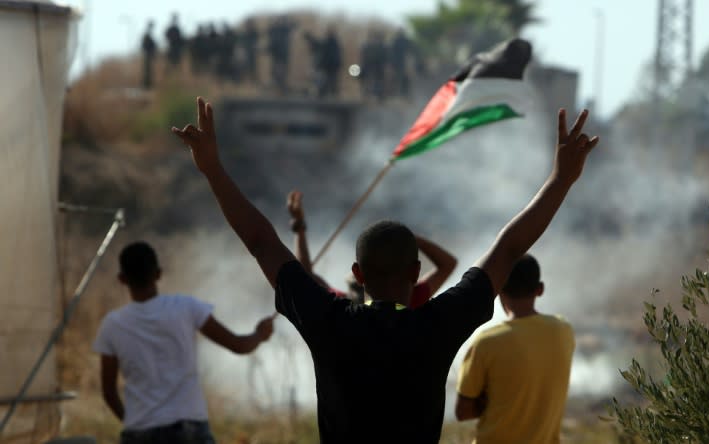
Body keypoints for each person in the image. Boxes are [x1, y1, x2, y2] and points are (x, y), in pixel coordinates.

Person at [172, 95, 598, 442]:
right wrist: (561, 179)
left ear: (357, 274)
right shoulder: (437, 325)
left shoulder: (330, 322)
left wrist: (212, 169)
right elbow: (508, 249)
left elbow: (262, 242)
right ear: (416, 274)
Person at [93, 241, 275, 444]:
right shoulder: (186, 307)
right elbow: (238, 345)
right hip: (190, 431)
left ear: (122, 279)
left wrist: (133, 422)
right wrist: (259, 334)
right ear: (158, 274)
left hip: (139, 432)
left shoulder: (112, 325)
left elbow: (108, 392)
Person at [455, 254, 574, 443]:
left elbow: (463, 411)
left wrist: (491, 400)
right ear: (540, 289)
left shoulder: (486, 341)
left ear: (499, 289)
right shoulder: (564, 330)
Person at [286, 190, 457, 305]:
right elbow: (448, 264)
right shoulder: (412, 301)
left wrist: (299, 227)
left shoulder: (340, 312)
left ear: (359, 275)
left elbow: (305, 277)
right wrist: (410, 239)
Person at [140, 21, 157, 89]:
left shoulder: (148, 35)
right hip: (147, 55)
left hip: (149, 55)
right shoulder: (147, 35)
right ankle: (146, 85)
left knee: (149, 71)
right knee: (147, 71)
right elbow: (144, 46)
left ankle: (148, 85)